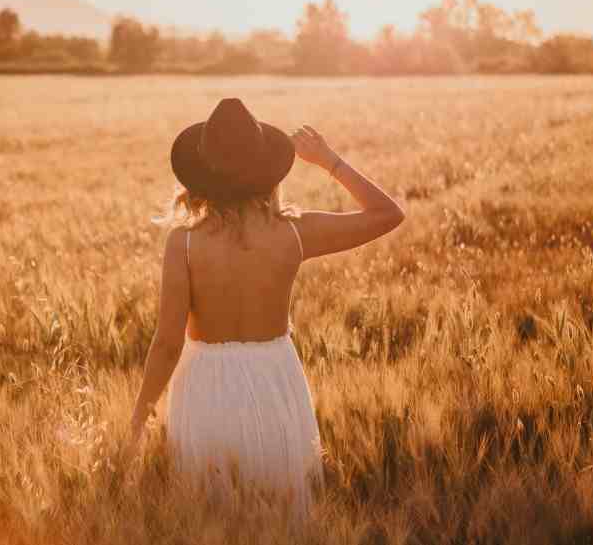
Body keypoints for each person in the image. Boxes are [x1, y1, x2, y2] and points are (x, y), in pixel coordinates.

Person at [127, 97, 405, 521]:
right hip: (275, 382)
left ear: (200, 177)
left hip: (204, 390)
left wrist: (139, 418)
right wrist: (329, 161)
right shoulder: (294, 233)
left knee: (210, 517)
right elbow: (388, 214)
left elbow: (167, 343)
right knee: (282, 515)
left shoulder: (183, 244)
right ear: (268, 173)